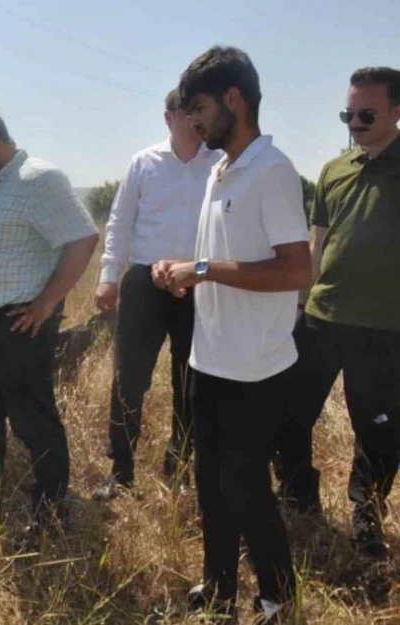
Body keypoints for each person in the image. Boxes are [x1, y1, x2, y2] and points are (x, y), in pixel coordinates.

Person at [157, 46, 311, 622]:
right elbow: (222, 260)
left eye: (198, 108)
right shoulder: (220, 171)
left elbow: (298, 271)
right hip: (210, 358)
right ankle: (217, 587)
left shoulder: (272, 170)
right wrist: (183, 270)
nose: (191, 120)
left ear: (234, 100)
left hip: (255, 367)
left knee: (246, 488)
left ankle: (276, 597)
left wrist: (199, 270)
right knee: (210, 484)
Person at [0, 106, 98, 524]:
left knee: (32, 423)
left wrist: (48, 303)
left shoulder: (38, 178)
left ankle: (49, 512)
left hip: (17, 325)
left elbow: (83, 237)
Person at [274, 66, 400, 558]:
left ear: (395, 111)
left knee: (379, 430)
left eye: (367, 114)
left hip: (386, 328)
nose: (355, 123)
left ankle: (366, 515)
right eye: (348, 113)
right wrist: (299, 304)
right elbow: (317, 243)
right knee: (288, 412)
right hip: (322, 318)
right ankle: (299, 497)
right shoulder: (334, 170)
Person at [92, 90, 223, 501]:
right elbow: (120, 221)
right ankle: (122, 471)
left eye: (202, 111)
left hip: (198, 283)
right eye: (190, 112)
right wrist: (109, 276)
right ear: (169, 118)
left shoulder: (220, 164)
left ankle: (180, 466)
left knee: (190, 380)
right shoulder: (144, 163)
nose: (198, 120)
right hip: (145, 283)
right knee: (129, 378)